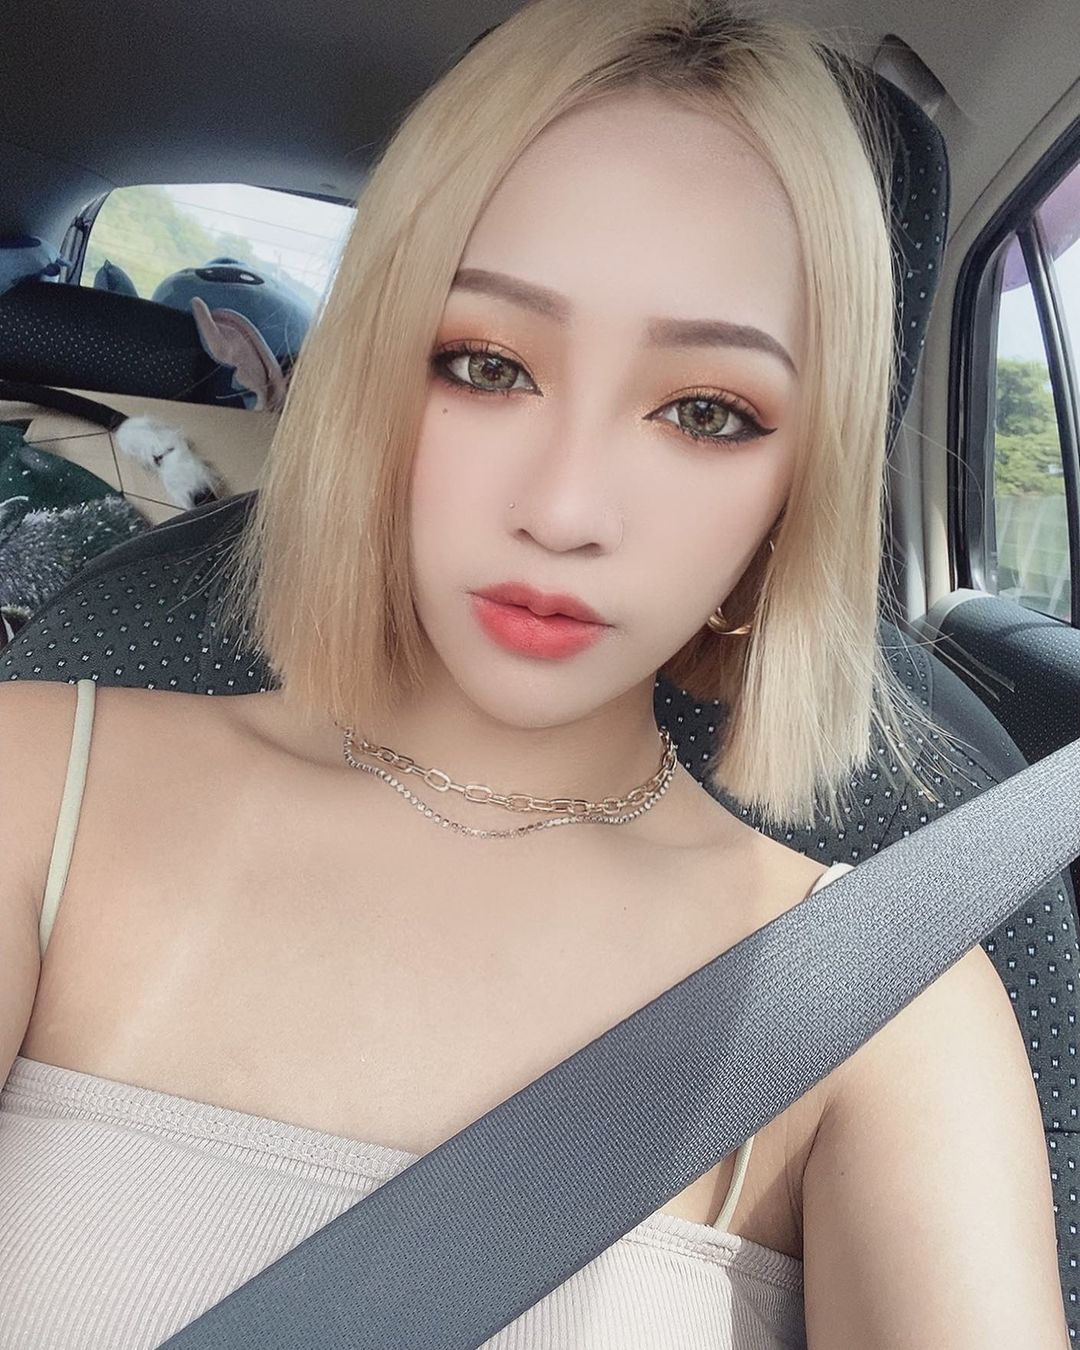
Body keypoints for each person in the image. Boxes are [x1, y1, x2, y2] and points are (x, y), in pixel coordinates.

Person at [0, 0, 1069, 1346]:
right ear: (373, 380)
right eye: (486, 364)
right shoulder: (31, 787)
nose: (566, 510)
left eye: (707, 412)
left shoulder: (885, 1008)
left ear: (801, 481)